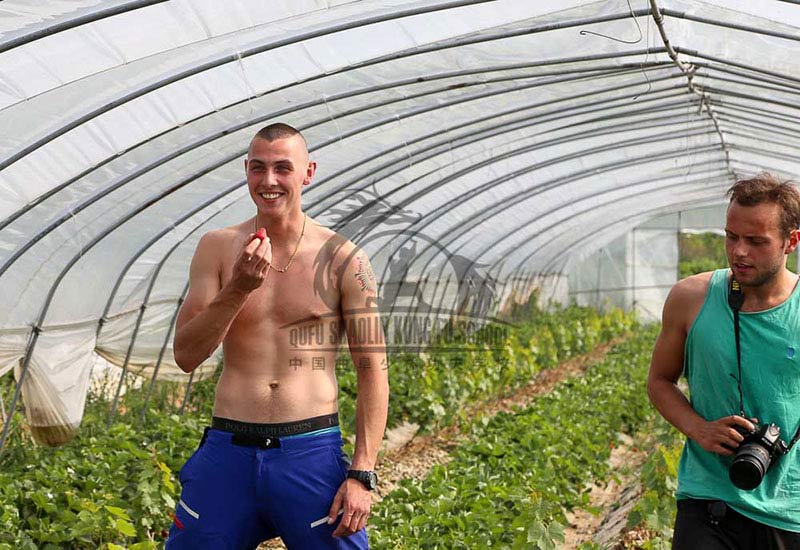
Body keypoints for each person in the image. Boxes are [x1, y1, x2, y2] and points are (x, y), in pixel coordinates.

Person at [166, 123, 389, 549]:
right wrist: (238, 289)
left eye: (283, 168)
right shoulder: (216, 247)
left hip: (309, 452)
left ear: (308, 173)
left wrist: (362, 472)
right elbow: (186, 354)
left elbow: (372, 371)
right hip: (228, 451)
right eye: (258, 168)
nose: (269, 181)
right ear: (246, 171)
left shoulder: (343, 259)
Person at [648, 173, 800, 549]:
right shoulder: (691, 298)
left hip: (789, 508)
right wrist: (699, 429)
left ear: (791, 242)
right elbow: (659, 381)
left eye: (756, 241)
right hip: (708, 500)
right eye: (731, 236)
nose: (739, 252)